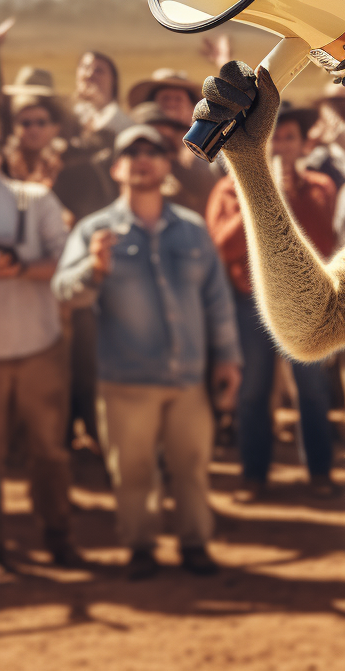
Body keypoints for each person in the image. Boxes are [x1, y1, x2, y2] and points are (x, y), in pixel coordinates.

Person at [52, 125, 241, 579]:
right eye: (130, 151)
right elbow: (63, 292)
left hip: (189, 379)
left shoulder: (193, 231)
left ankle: (195, 544)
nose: (142, 159)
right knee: (132, 473)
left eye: (152, 151)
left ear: (165, 165)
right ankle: (141, 547)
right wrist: (93, 269)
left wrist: (229, 359)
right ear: (117, 168)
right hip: (125, 381)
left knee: (193, 468)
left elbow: (216, 301)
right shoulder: (94, 231)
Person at [206, 103, 338, 501]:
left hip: (304, 300)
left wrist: (290, 193)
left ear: (303, 146)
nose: (279, 146)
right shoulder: (228, 189)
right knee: (252, 392)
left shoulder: (319, 187)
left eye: (288, 138)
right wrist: (261, 194)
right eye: (273, 138)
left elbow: (324, 243)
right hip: (251, 305)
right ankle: (254, 475)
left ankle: (320, 473)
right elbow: (223, 247)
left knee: (313, 392)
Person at [0, 171, 78, 570]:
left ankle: (58, 535)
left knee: (48, 451)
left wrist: (19, 268)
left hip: (39, 348)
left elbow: (67, 261)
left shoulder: (34, 199)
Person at [73, 51, 132, 143]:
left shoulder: (123, 122)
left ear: (113, 80)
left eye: (98, 70)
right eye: (85, 67)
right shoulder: (70, 112)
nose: (90, 74)